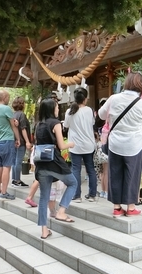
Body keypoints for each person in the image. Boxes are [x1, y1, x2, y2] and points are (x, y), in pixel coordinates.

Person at [98, 72, 142, 217]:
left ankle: (117, 208)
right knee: (132, 175)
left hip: (115, 144)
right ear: (141, 86)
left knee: (115, 174)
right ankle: (131, 207)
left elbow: (101, 115)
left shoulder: (113, 99)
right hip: (134, 145)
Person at [35, 98, 77, 239]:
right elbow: (61, 145)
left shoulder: (38, 125)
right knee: (73, 183)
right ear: (52, 108)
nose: (58, 109)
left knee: (43, 197)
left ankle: (44, 230)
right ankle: (61, 211)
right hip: (54, 162)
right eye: (57, 107)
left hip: (41, 163)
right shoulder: (56, 123)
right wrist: (70, 144)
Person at [63, 87, 97, 202]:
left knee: (76, 170)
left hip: (75, 145)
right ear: (85, 98)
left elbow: (66, 126)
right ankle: (92, 195)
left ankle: (77, 196)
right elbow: (92, 123)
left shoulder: (69, 111)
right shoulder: (89, 110)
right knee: (91, 169)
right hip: (88, 145)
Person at [0, 90, 20, 200]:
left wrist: (14, 122)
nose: (9, 99)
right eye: (8, 97)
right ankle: (4, 192)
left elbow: (8, 122)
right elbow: (13, 126)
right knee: (7, 167)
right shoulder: (6, 109)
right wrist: (18, 138)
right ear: (4, 97)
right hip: (7, 140)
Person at [12, 96, 32, 187]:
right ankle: (17, 180)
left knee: (14, 161)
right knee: (18, 161)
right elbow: (23, 129)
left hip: (14, 140)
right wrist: (27, 141)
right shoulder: (22, 115)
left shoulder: (13, 115)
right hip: (21, 141)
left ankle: (14, 179)